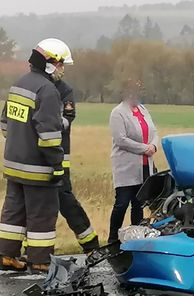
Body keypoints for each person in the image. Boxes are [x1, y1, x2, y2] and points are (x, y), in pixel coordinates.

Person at [0, 38, 72, 272]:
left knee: (13, 211)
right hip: (38, 168)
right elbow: (49, 135)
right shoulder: (48, 90)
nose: (63, 69)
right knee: (42, 213)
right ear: (51, 63)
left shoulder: (19, 84)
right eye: (61, 64)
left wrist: (20, 142)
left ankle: (6, 255)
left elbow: (4, 124)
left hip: (13, 165)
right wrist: (57, 165)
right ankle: (40, 261)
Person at [108, 79, 159, 243]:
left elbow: (154, 131)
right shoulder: (118, 113)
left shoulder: (143, 110)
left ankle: (136, 239)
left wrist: (153, 146)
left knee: (139, 204)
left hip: (145, 167)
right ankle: (113, 238)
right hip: (126, 167)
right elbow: (120, 139)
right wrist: (144, 148)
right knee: (122, 204)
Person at [54, 79, 100, 253]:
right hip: (34, 158)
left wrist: (44, 121)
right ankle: (31, 252)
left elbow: (67, 118)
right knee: (34, 203)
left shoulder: (63, 89)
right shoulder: (32, 86)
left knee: (64, 197)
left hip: (58, 156)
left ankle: (90, 244)